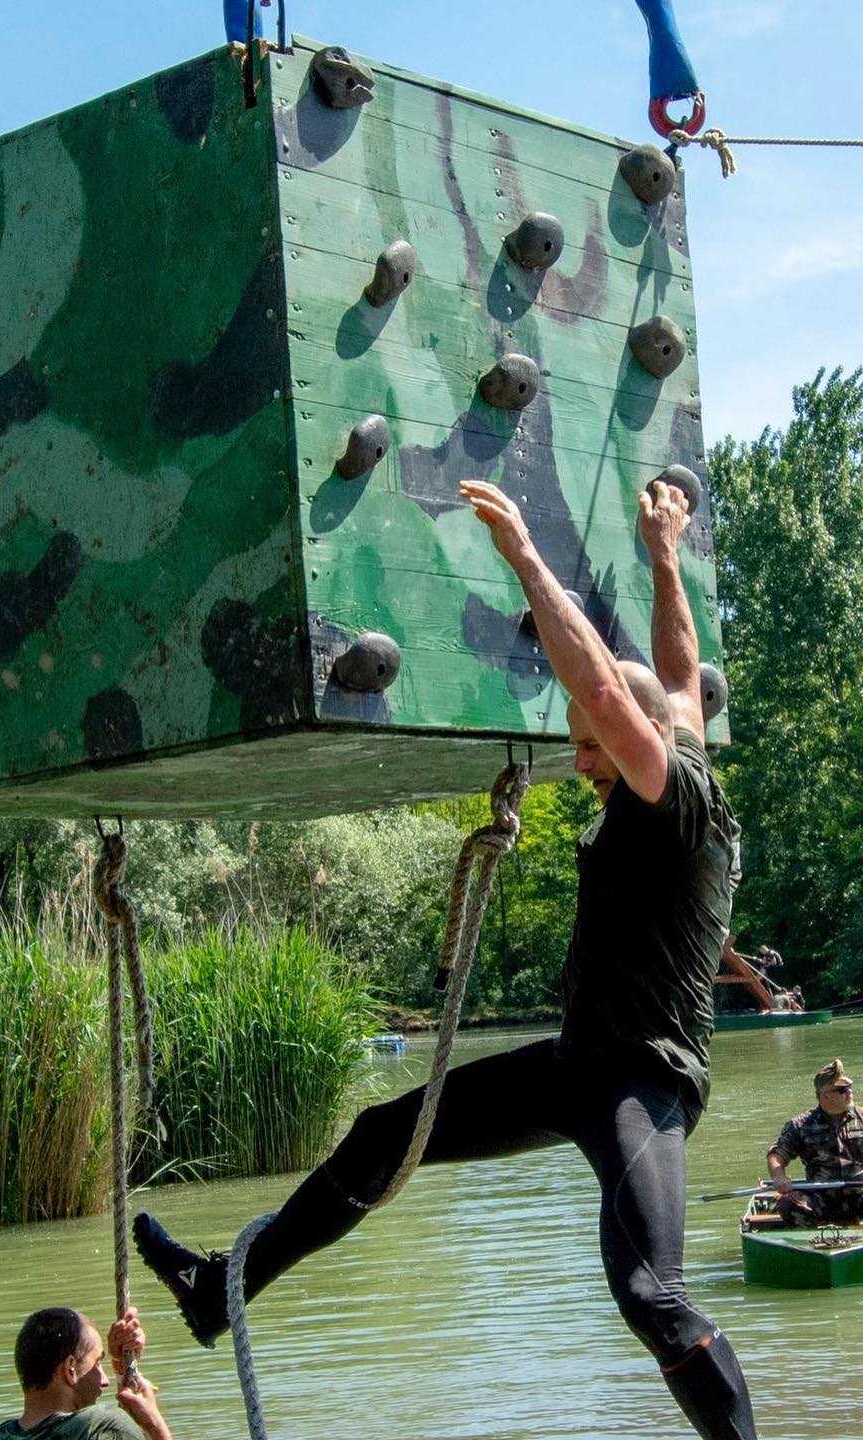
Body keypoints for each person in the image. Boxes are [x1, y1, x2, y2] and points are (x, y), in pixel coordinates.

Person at [134, 476, 757, 1439]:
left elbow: (605, 688)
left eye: (589, 747)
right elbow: (674, 674)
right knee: (384, 1134)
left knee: (649, 1292)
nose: (579, 760)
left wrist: (525, 558)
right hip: (577, 1065)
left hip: (645, 1082)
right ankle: (222, 1293)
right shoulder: (684, 755)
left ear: (632, 741)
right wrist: (664, 554)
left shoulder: (670, 798)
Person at [766, 1059, 863, 1225]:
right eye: (842, 1090)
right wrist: (779, 1177)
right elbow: (777, 1154)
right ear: (826, 1095)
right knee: (788, 1203)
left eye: (849, 1087)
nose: (849, 1092)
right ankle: (814, 1235)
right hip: (820, 1199)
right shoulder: (799, 1125)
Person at [0, 1305, 173, 1440]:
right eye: (97, 1363)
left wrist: (121, 1368)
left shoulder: (2, 1434)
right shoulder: (105, 1427)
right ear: (70, 1368)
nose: (104, 1380)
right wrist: (154, 1424)